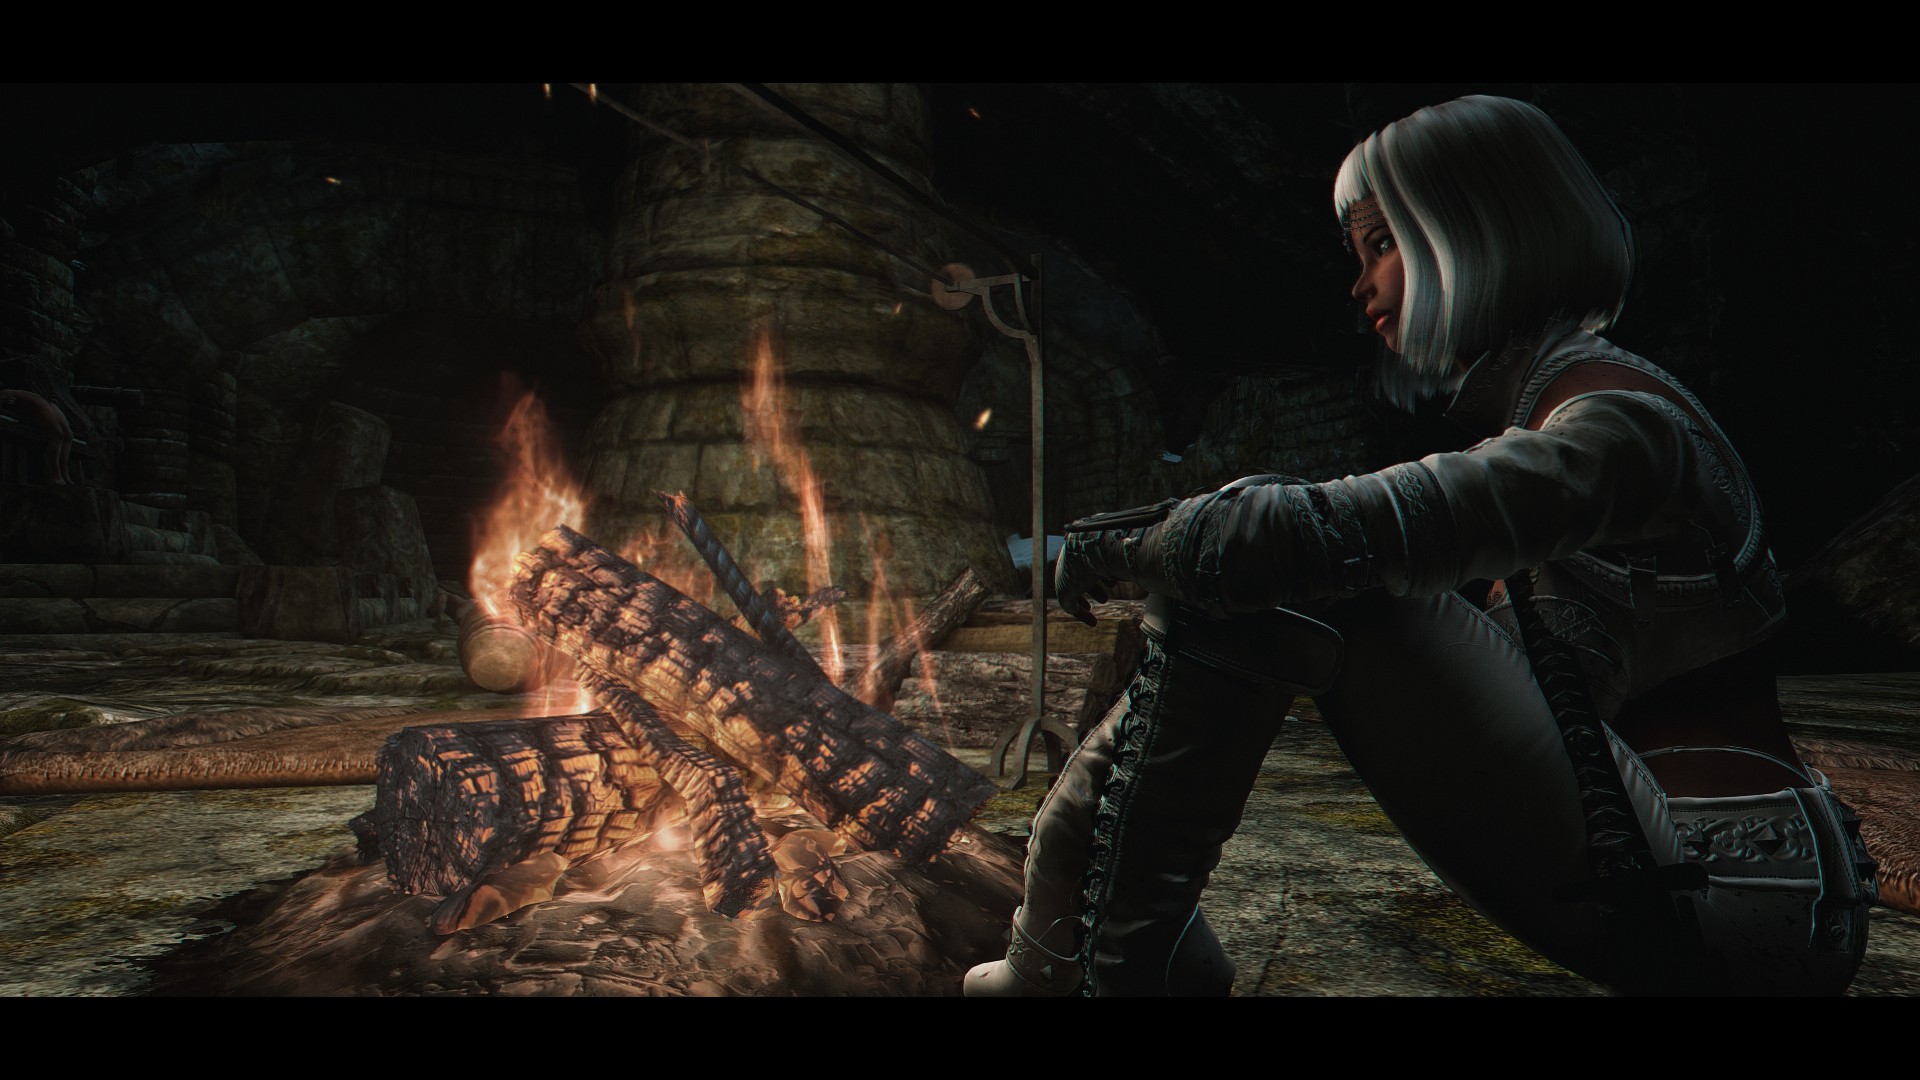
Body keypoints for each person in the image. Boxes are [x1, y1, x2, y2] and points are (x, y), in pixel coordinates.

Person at [965, 94, 1878, 997]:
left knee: (1286, 557)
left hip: (1730, 902)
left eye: (1382, 244)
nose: (1361, 284)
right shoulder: (1567, 410)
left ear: (1475, 232)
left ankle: (1099, 965)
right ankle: (1101, 950)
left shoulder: (1623, 430)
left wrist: (1129, 546)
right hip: (1676, 867)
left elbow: (1306, 537)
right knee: (1264, 554)